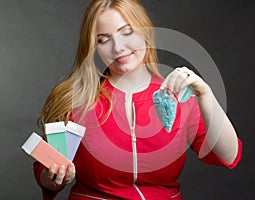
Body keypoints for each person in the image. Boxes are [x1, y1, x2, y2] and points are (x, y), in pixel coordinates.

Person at [33, 0, 242, 199]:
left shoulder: (180, 97)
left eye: (127, 32)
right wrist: (53, 177)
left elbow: (228, 155)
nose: (118, 48)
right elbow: (47, 173)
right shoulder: (76, 100)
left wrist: (205, 94)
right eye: (103, 39)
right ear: (93, 46)